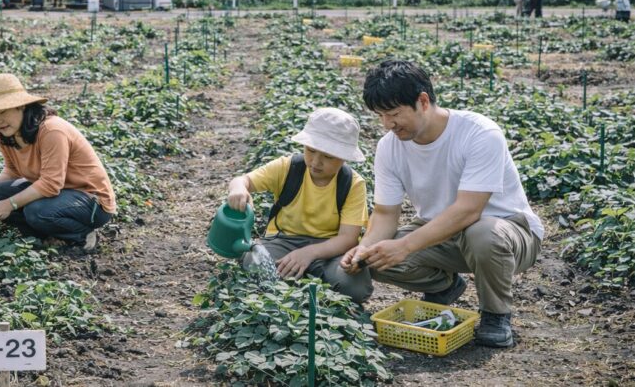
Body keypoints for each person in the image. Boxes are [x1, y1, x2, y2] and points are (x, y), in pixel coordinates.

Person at [341, 60, 544, 348]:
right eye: (381, 116)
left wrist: (405, 246)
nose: (387, 124)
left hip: (507, 232)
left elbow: (469, 210)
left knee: (481, 233)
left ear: (422, 101)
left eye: (394, 114)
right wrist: (364, 249)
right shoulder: (389, 146)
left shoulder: (479, 133)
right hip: (442, 234)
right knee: (376, 258)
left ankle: (496, 315)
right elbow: (386, 213)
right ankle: (446, 286)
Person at [226, 108, 372, 304]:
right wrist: (238, 188)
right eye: (310, 151)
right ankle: (301, 281)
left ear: (345, 157)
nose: (316, 162)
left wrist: (308, 254)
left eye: (328, 156)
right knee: (254, 261)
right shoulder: (288, 168)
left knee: (354, 287)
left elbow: (347, 238)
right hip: (284, 241)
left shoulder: (352, 184)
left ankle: (299, 277)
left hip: (329, 249)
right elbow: (243, 180)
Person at [0, 73, 116, 252]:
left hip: (90, 201)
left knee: (36, 211)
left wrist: (10, 204)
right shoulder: (6, 135)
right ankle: (47, 233)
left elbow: (51, 184)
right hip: (56, 195)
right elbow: (13, 170)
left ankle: (82, 234)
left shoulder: (52, 130)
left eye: (3, 111)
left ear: (21, 106)